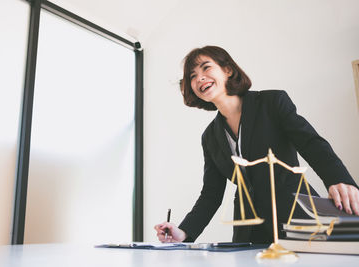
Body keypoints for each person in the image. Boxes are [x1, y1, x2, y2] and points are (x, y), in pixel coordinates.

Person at [154, 45, 359, 244]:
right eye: (192, 76)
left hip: (299, 220)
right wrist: (184, 232)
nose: (199, 78)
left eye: (206, 68)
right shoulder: (209, 137)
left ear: (228, 70)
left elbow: (311, 143)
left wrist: (338, 179)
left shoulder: (272, 102)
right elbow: (211, 194)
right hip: (249, 232)